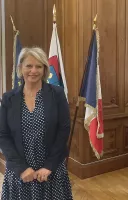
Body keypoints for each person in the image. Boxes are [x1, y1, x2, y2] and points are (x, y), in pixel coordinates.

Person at [0, 47, 73, 199]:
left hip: (50, 170)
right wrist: (21, 168)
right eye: (29, 65)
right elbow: (3, 135)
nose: (33, 70)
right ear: (20, 68)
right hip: (20, 171)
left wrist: (49, 166)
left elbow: (63, 130)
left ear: (44, 69)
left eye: (39, 66)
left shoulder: (57, 94)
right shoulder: (8, 98)